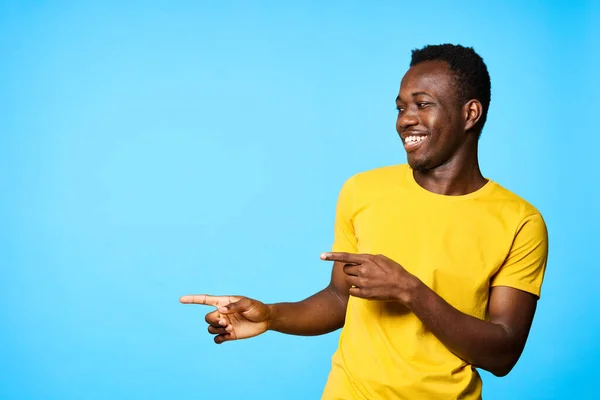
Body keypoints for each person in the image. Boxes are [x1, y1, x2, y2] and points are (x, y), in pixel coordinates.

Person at [180, 44, 549, 400]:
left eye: (423, 104)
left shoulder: (520, 222)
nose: (406, 119)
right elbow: (339, 298)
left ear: (471, 114)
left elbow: (502, 355)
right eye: (401, 107)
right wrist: (272, 316)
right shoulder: (363, 191)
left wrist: (409, 290)